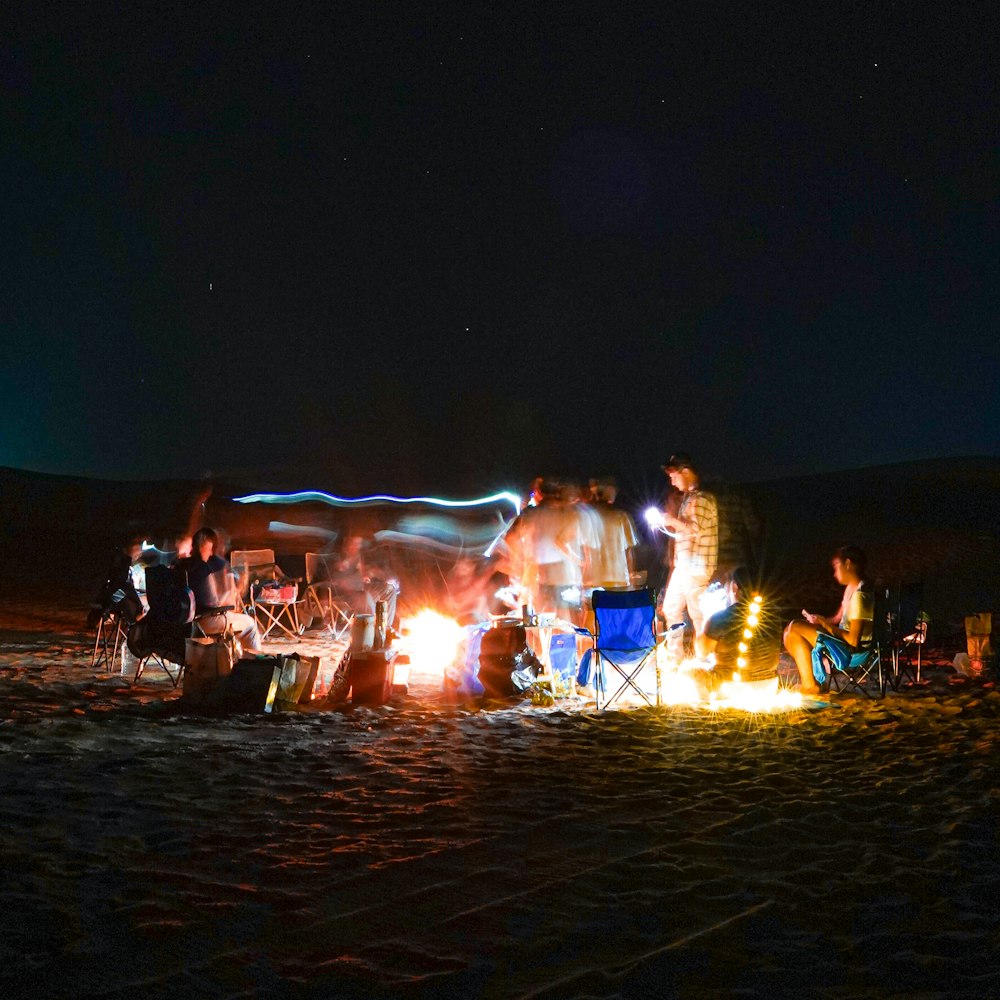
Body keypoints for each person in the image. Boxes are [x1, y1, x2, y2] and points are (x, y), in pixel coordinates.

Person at [783, 545, 874, 695]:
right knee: (790, 631)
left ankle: (810, 685)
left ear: (848, 564)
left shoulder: (861, 595)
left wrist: (824, 624)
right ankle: (812, 680)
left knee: (794, 628)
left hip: (853, 651)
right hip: (843, 642)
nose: (835, 573)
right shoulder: (852, 588)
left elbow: (853, 640)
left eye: (837, 566)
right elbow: (838, 619)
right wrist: (820, 621)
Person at [656, 453, 718, 661]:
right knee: (670, 607)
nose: (672, 481)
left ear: (686, 472)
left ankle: (705, 659)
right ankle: (675, 655)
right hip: (685, 566)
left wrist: (671, 520)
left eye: (674, 476)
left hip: (697, 566)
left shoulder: (701, 499)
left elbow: (695, 529)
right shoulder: (689, 499)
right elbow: (685, 529)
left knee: (698, 613)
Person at [695, 565, 779, 693]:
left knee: (689, 672)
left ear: (734, 587)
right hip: (768, 687)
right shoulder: (773, 617)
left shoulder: (720, 618)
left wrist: (706, 620)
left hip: (730, 688)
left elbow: (701, 652)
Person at [176, 527, 261, 651]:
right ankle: (255, 664)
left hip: (181, 624)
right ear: (203, 547)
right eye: (209, 550)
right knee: (250, 624)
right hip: (203, 623)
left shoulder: (178, 565)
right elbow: (212, 605)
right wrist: (231, 595)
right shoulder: (203, 569)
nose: (211, 554)